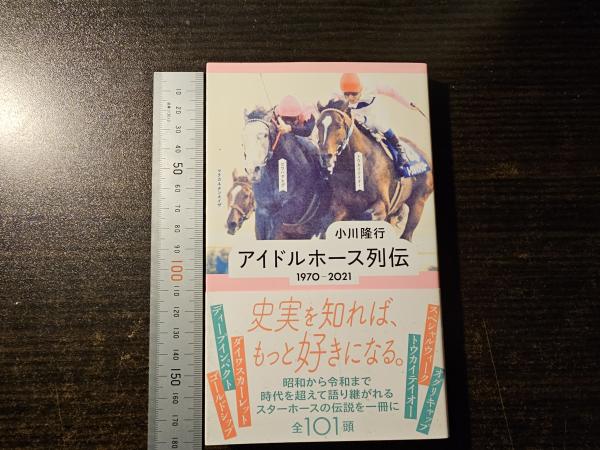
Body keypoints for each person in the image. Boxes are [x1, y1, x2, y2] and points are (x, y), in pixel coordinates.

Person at [339, 73, 426, 178]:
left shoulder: (372, 87)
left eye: (354, 94)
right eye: (346, 94)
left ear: (361, 89)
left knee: (380, 125)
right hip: (356, 116)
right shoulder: (338, 93)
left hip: (373, 115)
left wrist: (408, 103)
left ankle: (400, 151)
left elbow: (392, 92)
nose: (350, 98)